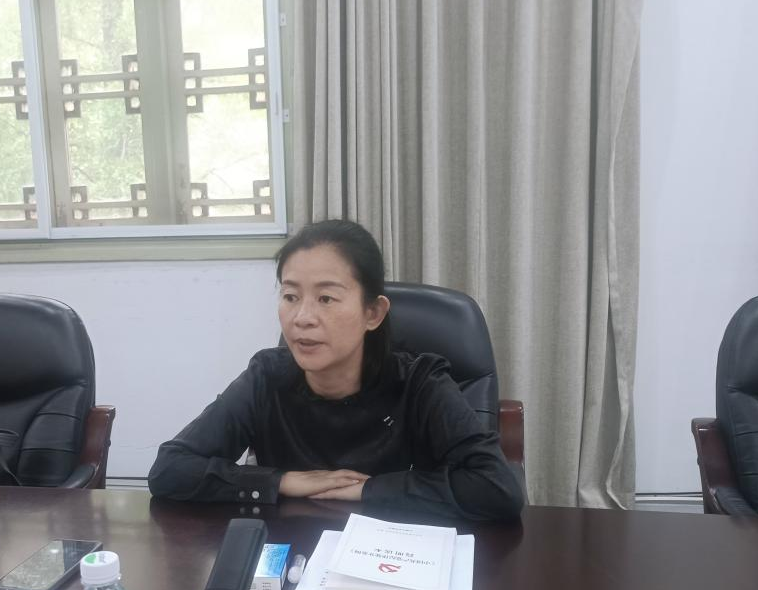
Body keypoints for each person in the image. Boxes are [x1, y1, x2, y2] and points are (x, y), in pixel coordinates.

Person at [147, 220, 525, 521]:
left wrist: (368, 489)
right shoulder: (266, 376)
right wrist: (282, 480)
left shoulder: (420, 381)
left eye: (326, 298)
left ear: (373, 313)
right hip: (292, 556)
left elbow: (497, 489)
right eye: (290, 296)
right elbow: (170, 470)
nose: (302, 317)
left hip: (396, 556)